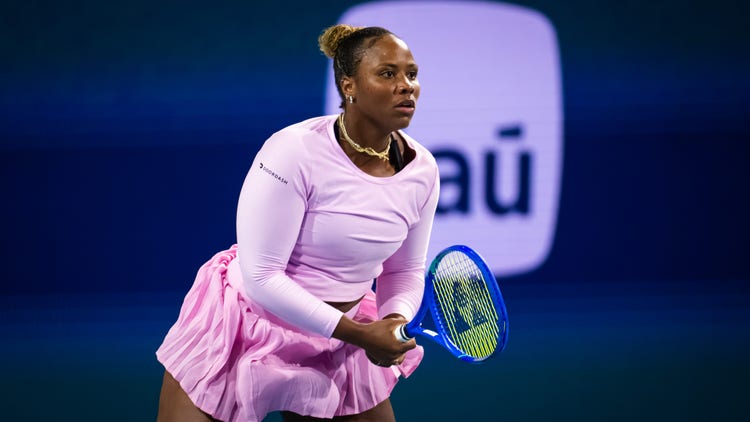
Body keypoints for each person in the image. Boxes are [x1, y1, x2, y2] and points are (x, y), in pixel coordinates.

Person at [155, 23, 440, 422]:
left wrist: (393, 319)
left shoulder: (423, 169)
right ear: (349, 87)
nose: (406, 86)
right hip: (246, 324)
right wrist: (361, 334)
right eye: (387, 73)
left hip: (339, 343)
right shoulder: (292, 151)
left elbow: (404, 269)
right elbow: (261, 276)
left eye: (411, 74)